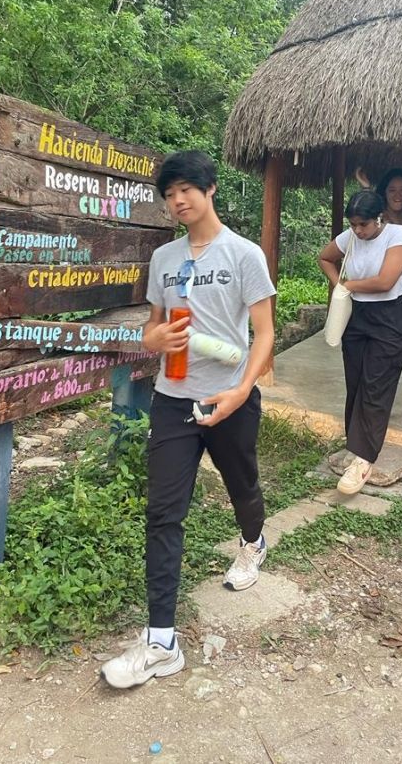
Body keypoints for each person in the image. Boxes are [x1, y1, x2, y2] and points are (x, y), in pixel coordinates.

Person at [101, 150, 275, 688]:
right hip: (173, 398)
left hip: (230, 397)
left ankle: (253, 542)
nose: (178, 201)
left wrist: (241, 390)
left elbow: (264, 334)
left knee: (241, 482)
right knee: (163, 513)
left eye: (186, 191)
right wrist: (151, 339)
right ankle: (161, 642)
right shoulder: (164, 259)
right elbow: (152, 329)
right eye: (169, 194)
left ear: (210, 190)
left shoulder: (244, 255)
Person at [318, 191, 402, 493]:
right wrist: (340, 288)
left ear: (379, 218)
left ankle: (364, 458)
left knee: (377, 384)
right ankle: (354, 445)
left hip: (389, 316)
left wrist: (347, 286)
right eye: (353, 224)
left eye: (363, 225)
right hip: (357, 315)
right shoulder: (349, 237)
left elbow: (385, 281)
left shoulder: (399, 235)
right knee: (356, 382)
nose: (358, 231)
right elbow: (324, 257)